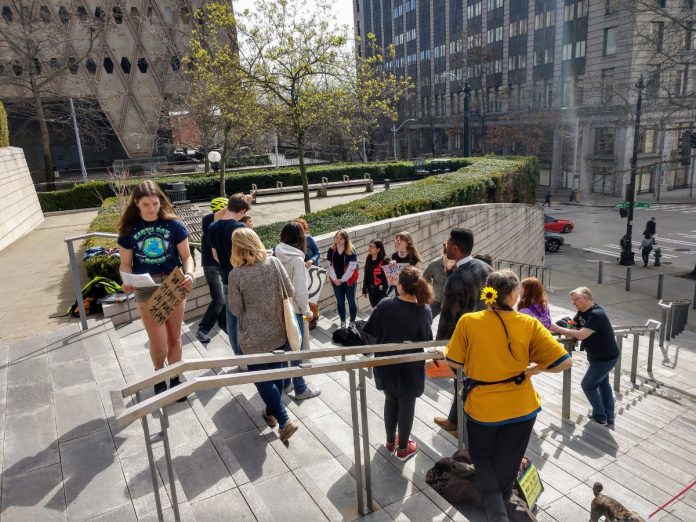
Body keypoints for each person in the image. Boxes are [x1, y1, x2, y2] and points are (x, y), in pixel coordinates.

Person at [444, 270, 572, 521]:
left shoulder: (469, 321)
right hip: (522, 407)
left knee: (482, 457)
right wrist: (534, 369)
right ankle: (502, 505)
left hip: (483, 407)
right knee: (508, 460)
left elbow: (453, 360)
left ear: (488, 292)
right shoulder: (529, 324)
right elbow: (564, 362)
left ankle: (497, 512)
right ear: (513, 294)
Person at [117, 180, 195, 396]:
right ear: (136, 204)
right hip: (145, 286)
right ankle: (159, 374)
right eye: (146, 205)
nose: (152, 209)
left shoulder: (175, 225)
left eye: (155, 203)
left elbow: (187, 257)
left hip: (173, 284)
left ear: (161, 202)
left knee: (174, 337)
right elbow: (125, 263)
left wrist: (189, 273)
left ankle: (176, 378)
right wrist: (126, 279)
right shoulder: (129, 231)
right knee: (158, 343)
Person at [228, 228, 299, 442]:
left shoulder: (236, 274)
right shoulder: (274, 262)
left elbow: (236, 309)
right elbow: (291, 291)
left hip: (253, 337)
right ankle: (271, 412)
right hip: (278, 331)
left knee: (261, 378)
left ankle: (285, 421)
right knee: (275, 375)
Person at [362, 266, 434, 461]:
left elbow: (368, 332)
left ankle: (390, 442)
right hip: (410, 367)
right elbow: (427, 339)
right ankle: (403, 448)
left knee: (391, 400)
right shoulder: (424, 310)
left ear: (400, 285)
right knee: (407, 405)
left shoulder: (385, 304)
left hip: (386, 364)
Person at [434, 228, 493, 434]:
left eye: (449, 244)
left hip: (465, 342)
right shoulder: (486, 268)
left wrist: (438, 346)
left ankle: (461, 424)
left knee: (462, 381)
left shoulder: (457, 278)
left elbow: (448, 316)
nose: (446, 246)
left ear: (456, 248)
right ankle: (455, 420)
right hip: (487, 338)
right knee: (469, 381)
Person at [552, 287, 619, 426]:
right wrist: (568, 325)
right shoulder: (582, 312)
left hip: (605, 358)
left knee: (587, 385)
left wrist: (556, 329)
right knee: (603, 384)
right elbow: (574, 325)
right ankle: (609, 416)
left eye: (576, 299)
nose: (573, 302)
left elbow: (582, 334)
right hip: (596, 357)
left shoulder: (596, 314)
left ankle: (600, 415)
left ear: (586, 298)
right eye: (572, 300)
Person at [273, 222, 321, 400]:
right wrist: (308, 311)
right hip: (294, 310)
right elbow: (300, 291)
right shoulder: (297, 260)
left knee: (285, 347)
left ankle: (286, 383)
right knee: (297, 349)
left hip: (279, 307)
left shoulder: (276, 253)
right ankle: (300, 388)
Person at [207, 195, 251, 355]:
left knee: (231, 318)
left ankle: (238, 355)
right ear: (241, 211)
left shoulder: (213, 226)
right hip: (242, 278)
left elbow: (214, 255)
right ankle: (247, 352)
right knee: (245, 317)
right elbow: (248, 255)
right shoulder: (239, 227)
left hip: (226, 276)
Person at [196, 197, 228, 344]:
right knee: (219, 298)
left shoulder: (226, 224)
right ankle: (203, 329)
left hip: (224, 266)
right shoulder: (207, 220)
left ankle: (224, 324)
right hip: (211, 265)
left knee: (224, 298)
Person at [327, 230, 359, 328]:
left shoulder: (351, 250)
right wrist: (335, 279)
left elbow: (351, 268)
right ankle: (342, 320)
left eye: (341, 239)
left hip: (348, 281)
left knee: (351, 301)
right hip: (336, 280)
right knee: (340, 302)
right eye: (337, 238)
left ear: (345, 240)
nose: (338, 240)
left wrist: (342, 279)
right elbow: (329, 266)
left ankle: (352, 321)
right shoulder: (331, 250)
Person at [295, 218, 321, 329]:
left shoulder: (309, 239)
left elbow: (318, 253)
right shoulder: (294, 241)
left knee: (313, 297)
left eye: (301, 228)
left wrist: (311, 260)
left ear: (305, 229)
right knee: (304, 297)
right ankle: (306, 318)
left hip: (312, 270)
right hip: (300, 272)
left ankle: (314, 318)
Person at [423, 241, 455, 318]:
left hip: (450, 301)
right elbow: (424, 277)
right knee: (427, 318)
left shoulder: (458, 266)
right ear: (445, 253)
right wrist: (430, 288)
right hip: (435, 300)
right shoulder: (434, 264)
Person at [362, 240, 390, 308]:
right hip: (371, 290)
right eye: (369, 246)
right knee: (374, 308)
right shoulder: (368, 258)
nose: (369, 248)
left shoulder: (385, 260)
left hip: (381, 290)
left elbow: (388, 277)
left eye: (372, 246)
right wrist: (364, 289)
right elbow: (366, 275)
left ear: (378, 249)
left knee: (381, 309)